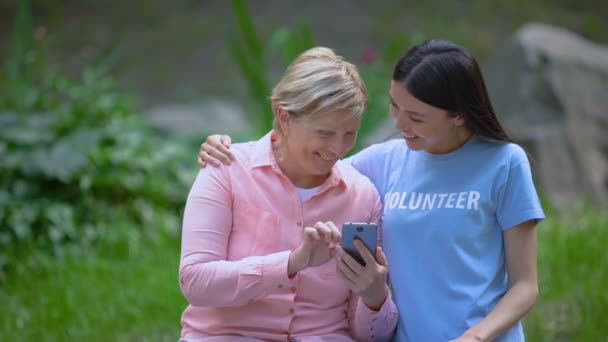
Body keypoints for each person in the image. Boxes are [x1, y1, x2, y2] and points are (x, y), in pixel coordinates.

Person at [197, 39, 545, 342]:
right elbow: (300, 169)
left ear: (458, 115)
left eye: (416, 117)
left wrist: (474, 337)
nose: (399, 124)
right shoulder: (386, 160)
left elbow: (525, 286)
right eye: (395, 106)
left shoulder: (505, 163)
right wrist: (229, 152)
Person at [179, 46, 398, 342]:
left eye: (350, 133)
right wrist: (292, 262)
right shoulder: (226, 170)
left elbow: (367, 335)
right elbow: (196, 282)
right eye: (325, 133)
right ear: (285, 118)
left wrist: (375, 296)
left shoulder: (363, 196)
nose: (338, 148)